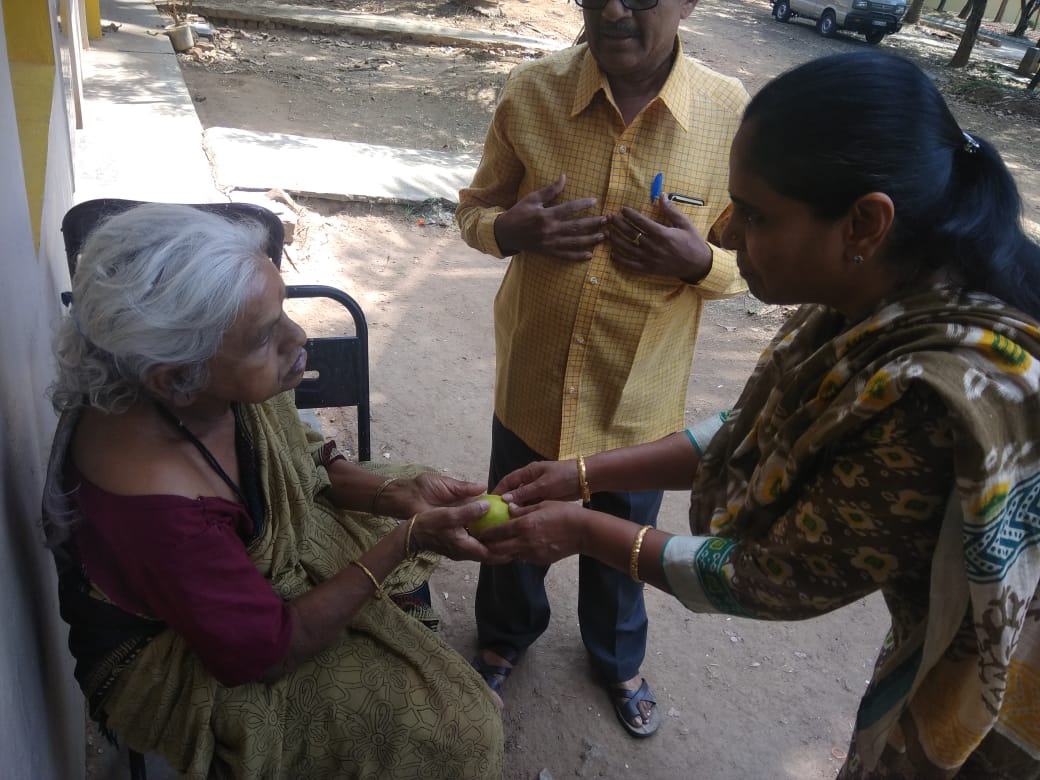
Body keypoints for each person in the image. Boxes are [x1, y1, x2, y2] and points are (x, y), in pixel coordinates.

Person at [478, 51, 1040, 778]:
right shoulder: (879, 301)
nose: (729, 239)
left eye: (754, 215)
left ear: (864, 223)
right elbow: (752, 429)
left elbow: (764, 576)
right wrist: (581, 474)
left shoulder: (933, 397)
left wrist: (583, 526)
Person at [42, 204, 504, 778]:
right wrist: (404, 541)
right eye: (264, 337)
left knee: (421, 487)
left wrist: (400, 494)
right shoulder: (153, 501)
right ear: (173, 376)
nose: (298, 336)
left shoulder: (195, 386)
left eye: (283, 309)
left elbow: (303, 461)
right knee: (460, 732)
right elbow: (269, 652)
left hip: (236, 582)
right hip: (189, 659)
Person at [455, 0, 748, 737]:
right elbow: (473, 210)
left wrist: (702, 262)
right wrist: (509, 230)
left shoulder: (728, 113)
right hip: (534, 385)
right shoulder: (532, 91)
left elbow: (756, 258)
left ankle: (616, 656)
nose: (616, 10)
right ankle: (503, 636)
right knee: (512, 530)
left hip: (638, 403)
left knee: (623, 548)